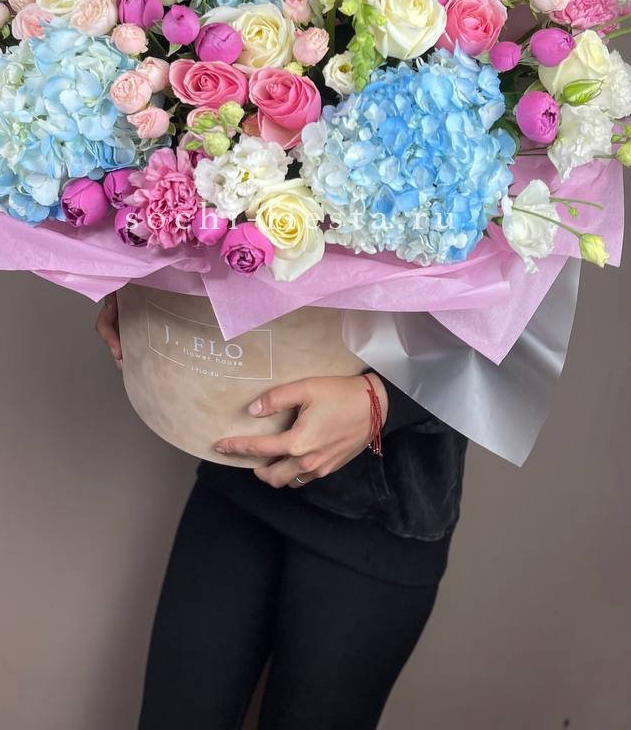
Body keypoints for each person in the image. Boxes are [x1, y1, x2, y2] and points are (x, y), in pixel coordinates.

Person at [95, 295, 468, 730]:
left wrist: (383, 402)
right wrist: (143, 287)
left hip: (386, 511)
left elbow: (515, 317)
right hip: (242, 463)